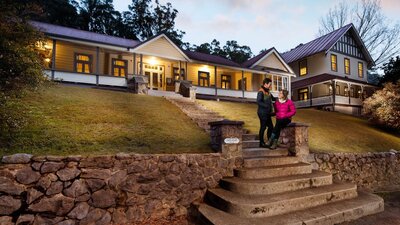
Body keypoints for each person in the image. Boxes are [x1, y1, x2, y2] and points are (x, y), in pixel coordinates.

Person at [257, 78, 275, 148]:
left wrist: (281, 98)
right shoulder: (261, 92)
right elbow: (259, 101)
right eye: (270, 84)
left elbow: (273, 99)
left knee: (270, 127)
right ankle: (261, 143)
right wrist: (266, 106)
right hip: (262, 113)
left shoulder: (268, 92)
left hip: (267, 113)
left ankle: (269, 141)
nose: (270, 86)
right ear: (265, 84)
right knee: (263, 127)